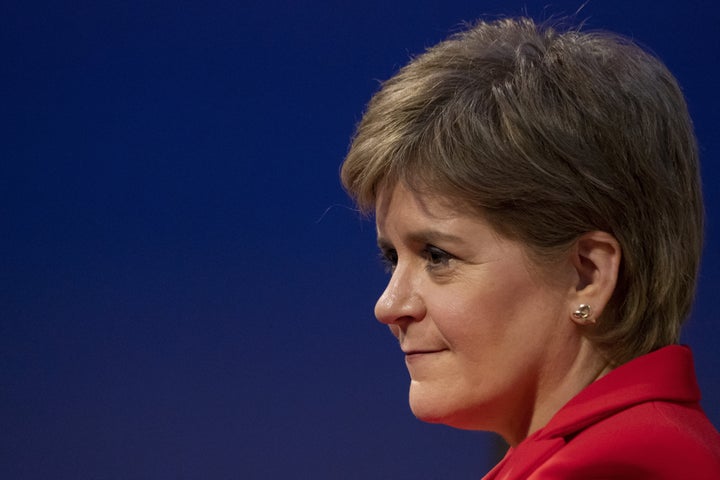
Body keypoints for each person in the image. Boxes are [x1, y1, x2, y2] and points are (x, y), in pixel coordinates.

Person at [340, 17, 720, 478]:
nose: (389, 306)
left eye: (437, 256)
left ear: (588, 276)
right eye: (392, 258)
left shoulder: (609, 467)